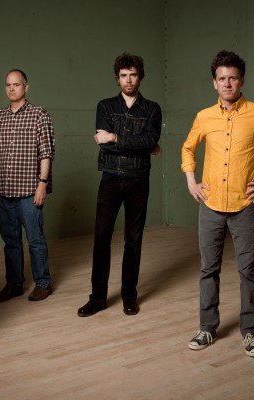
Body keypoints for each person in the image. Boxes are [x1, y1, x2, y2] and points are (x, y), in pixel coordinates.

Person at [181, 50, 254, 358]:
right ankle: (207, 327)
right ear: (214, 83)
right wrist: (192, 182)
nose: (227, 83)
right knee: (208, 269)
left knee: (248, 271)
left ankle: (250, 332)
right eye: (222, 78)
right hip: (211, 205)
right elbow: (188, 148)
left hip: (245, 207)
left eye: (232, 78)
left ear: (241, 81)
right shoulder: (204, 117)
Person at [77, 53, 162, 317]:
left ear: (140, 77)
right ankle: (98, 298)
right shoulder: (105, 106)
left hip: (138, 180)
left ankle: (129, 296)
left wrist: (114, 137)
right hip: (110, 178)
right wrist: (143, 145)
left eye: (133, 75)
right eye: (124, 75)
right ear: (117, 79)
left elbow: (149, 141)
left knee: (133, 240)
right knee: (102, 238)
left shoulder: (152, 109)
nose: (128, 80)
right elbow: (118, 146)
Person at [0, 69, 55, 302]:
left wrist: (42, 184)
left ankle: (43, 283)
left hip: (29, 190)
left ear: (26, 87)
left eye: (16, 84)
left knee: (35, 239)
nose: (11, 88)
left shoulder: (39, 114)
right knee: (11, 241)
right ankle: (14, 283)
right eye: (8, 85)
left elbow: (46, 153)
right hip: (5, 189)